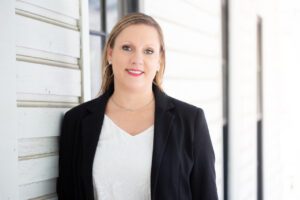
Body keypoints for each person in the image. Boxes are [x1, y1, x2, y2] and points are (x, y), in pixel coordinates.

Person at [57, 12, 218, 200]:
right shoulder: (76, 121)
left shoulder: (190, 122)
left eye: (148, 51)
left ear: (160, 61)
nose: (137, 59)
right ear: (110, 54)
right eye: (127, 48)